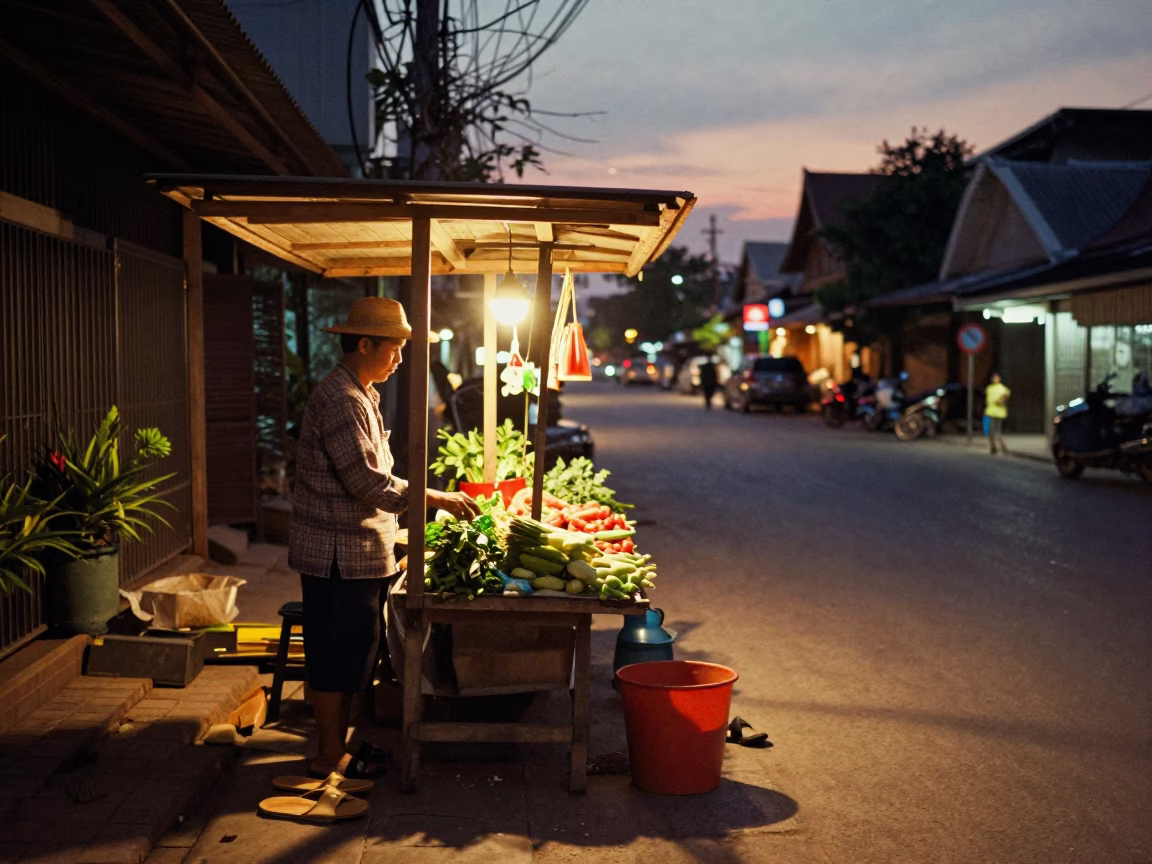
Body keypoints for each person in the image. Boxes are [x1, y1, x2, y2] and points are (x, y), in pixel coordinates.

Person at [288, 297, 480, 779]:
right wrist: (437, 499)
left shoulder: (363, 393)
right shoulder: (340, 399)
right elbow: (368, 482)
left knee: (355, 655)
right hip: (337, 556)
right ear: (365, 344)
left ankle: (341, 747)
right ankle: (327, 755)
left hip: (361, 552)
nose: (399, 359)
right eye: (394, 349)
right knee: (334, 659)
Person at [984, 371, 1011, 455]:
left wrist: (1001, 401)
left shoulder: (1002, 388)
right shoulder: (989, 388)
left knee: (996, 431)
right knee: (992, 431)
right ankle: (995, 447)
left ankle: (1001, 447)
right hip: (991, 411)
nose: (995, 379)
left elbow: (1006, 395)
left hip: (999, 412)